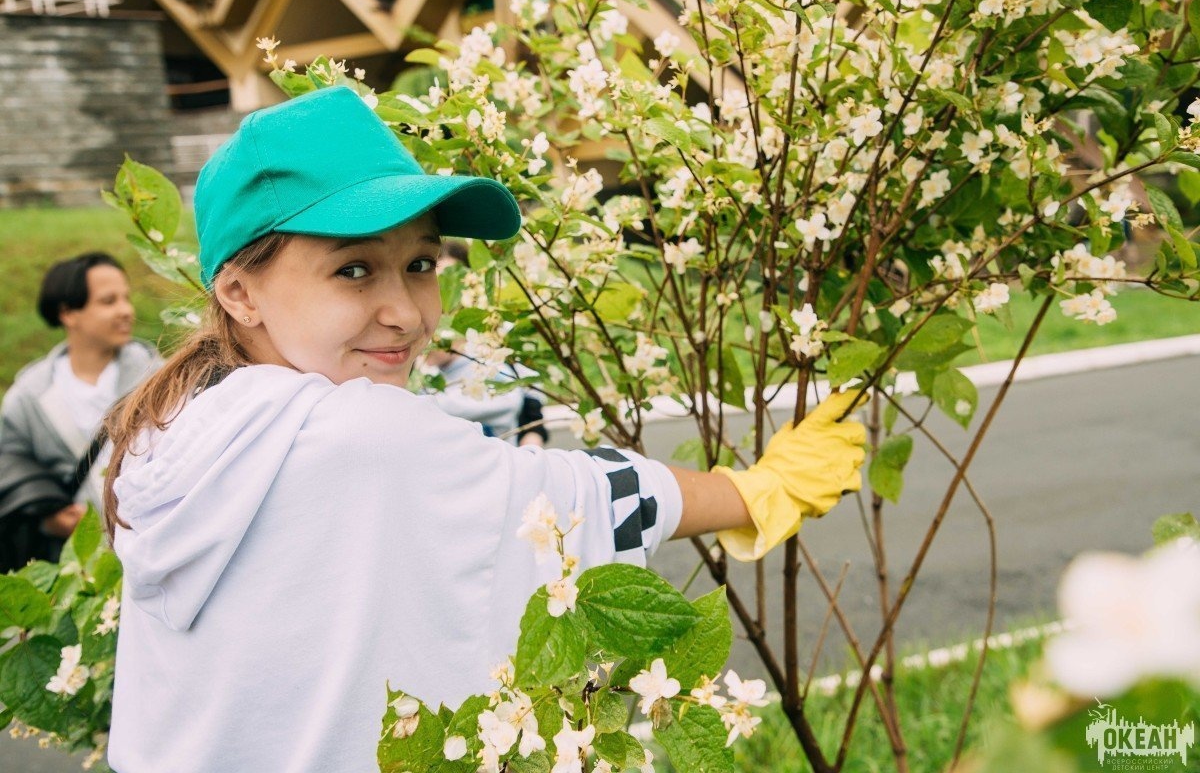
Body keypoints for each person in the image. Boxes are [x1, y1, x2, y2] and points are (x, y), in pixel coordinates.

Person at [102, 86, 867, 772]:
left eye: (423, 263)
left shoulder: (176, 423)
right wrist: (760, 489)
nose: (406, 312)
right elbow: (568, 502)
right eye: (354, 270)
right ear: (239, 291)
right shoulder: (357, 434)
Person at [0, 253, 160, 571]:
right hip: (77, 571)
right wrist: (48, 517)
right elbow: (8, 459)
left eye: (126, 298)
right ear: (68, 313)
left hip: (153, 556)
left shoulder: (161, 378)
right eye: (108, 301)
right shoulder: (30, 395)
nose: (126, 310)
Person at [423, 240, 549, 447]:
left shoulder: (498, 337)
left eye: (455, 278)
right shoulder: (416, 344)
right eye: (436, 281)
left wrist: (528, 458)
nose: (445, 289)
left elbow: (532, 415)